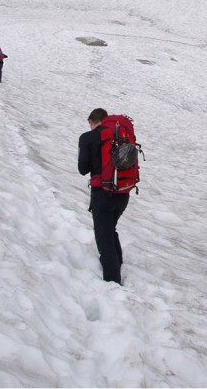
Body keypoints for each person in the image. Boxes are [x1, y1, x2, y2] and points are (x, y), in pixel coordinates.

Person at [78, 108, 130, 285]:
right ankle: (118, 262)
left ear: (92, 121)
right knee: (110, 228)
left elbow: (82, 169)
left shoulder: (88, 137)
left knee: (103, 235)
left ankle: (112, 281)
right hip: (123, 192)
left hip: (102, 194)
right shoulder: (120, 135)